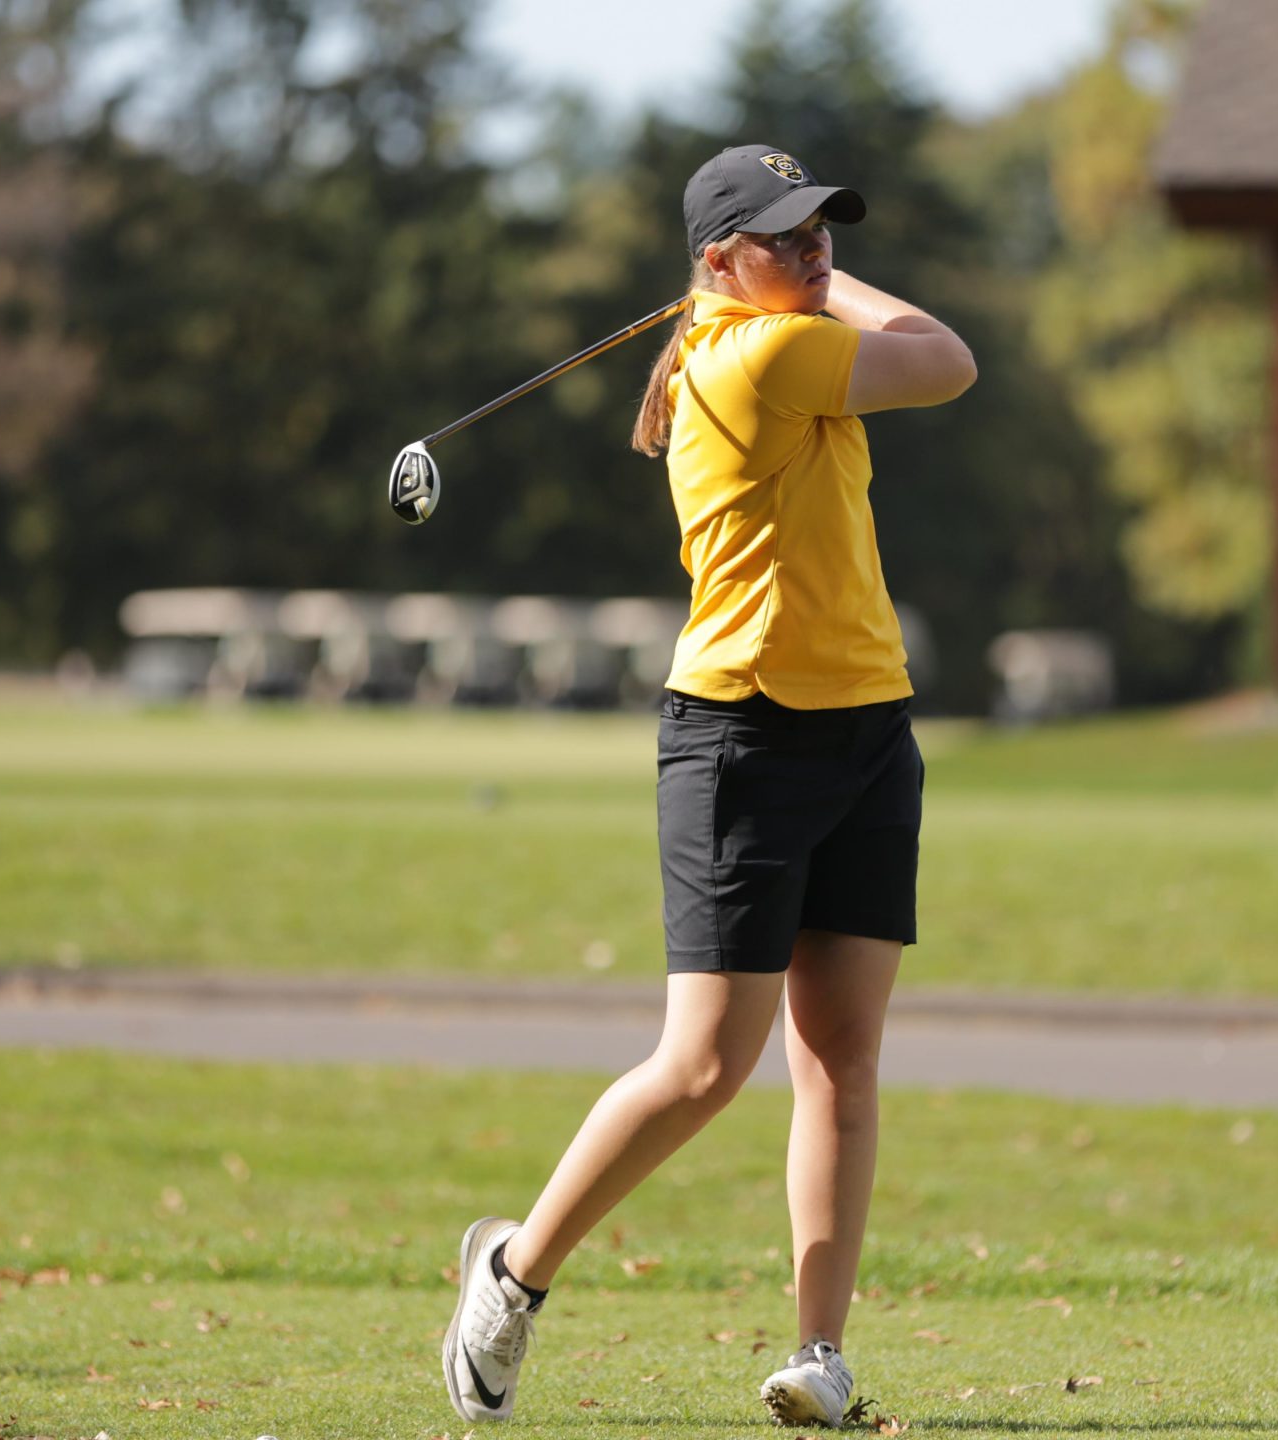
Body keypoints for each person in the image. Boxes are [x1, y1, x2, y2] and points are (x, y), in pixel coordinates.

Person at [440, 143, 976, 1430]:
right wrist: (824, 292)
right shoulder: (757, 352)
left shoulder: (755, 332)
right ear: (716, 261)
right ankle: (512, 1276)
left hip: (863, 730)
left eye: (822, 232)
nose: (815, 253)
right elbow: (948, 359)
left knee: (840, 1059)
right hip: (743, 739)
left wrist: (789, 281)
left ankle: (820, 1355)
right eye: (783, 238)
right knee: (701, 1069)